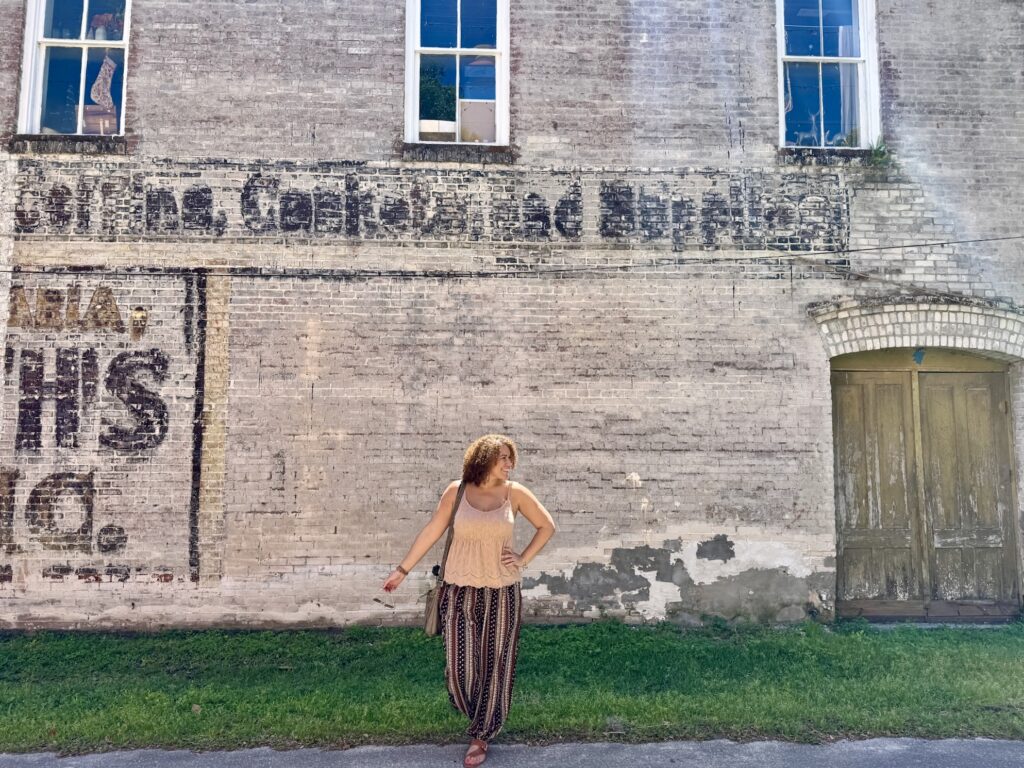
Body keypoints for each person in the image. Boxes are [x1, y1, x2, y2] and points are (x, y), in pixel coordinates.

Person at [382, 434, 557, 767]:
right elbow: (433, 529)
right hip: (458, 589)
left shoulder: (515, 494)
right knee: (459, 668)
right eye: (503, 458)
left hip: (503, 592)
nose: (509, 464)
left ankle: (482, 735)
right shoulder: (457, 491)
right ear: (484, 459)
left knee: (497, 665)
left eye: (511, 459)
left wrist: (523, 559)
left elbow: (546, 526)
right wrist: (402, 570)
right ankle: (479, 713)